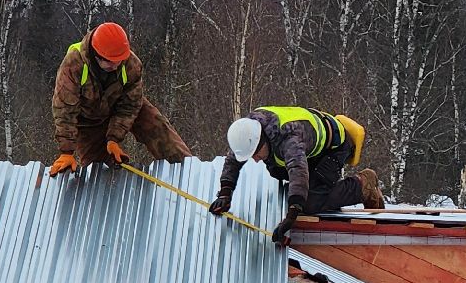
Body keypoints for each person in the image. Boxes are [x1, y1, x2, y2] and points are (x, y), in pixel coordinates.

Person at [210, 106, 383, 245]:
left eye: (255, 153)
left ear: (261, 140)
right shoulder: (249, 129)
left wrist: (292, 214)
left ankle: (362, 185)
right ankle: (320, 183)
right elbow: (233, 159)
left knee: (310, 203)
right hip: (311, 146)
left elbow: (297, 171)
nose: (255, 160)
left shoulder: (290, 140)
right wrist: (226, 192)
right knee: (275, 169)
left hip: (335, 147)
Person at [45, 22, 192, 176]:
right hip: (88, 121)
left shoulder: (131, 64)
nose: (116, 66)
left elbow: (130, 106)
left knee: (155, 124)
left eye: (119, 61)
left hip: (120, 106)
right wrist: (66, 151)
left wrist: (114, 138)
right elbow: (65, 110)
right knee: (100, 170)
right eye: (110, 62)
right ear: (97, 56)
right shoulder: (73, 65)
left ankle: (188, 172)